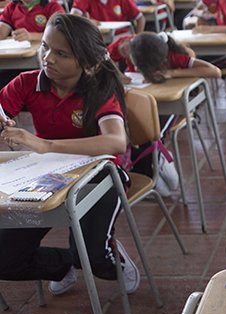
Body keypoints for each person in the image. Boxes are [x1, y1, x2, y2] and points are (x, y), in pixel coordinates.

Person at [0, 14, 140, 296]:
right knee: (5, 259)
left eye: (61, 53)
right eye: (45, 47)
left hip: (99, 177)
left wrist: (46, 145)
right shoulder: (28, 83)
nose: (48, 58)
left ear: (86, 64)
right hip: (44, 176)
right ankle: (62, 266)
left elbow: (115, 141)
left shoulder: (99, 88)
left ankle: (106, 257)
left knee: (92, 258)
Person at [109, 31, 221, 83]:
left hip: (176, 101)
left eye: (137, 65)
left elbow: (215, 71)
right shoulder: (135, 47)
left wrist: (172, 73)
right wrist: (119, 76)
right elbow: (105, 58)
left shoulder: (173, 57)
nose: (136, 69)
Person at [0, 0, 65, 87]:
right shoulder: (12, 6)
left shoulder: (52, 6)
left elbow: (60, 33)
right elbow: (1, 33)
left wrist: (31, 36)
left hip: (43, 59)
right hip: (16, 58)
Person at [71, 0, 146, 33]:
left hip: (120, 35)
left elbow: (140, 18)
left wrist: (136, 38)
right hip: (97, 35)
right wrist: (88, 21)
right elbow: (73, 16)